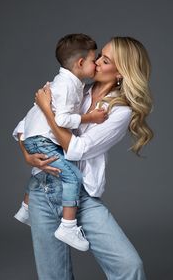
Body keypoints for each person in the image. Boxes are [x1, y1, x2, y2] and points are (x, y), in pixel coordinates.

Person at [16, 36, 153, 279]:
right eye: (99, 56)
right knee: (54, 276)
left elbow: (76, 149)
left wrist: (49, 111)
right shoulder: (76, 88)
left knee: (129, 266)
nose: (97, 62)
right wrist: (27, 154)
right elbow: (27, 124)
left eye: (106, 60)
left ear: (121, 72)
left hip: (81, 196)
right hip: (42, 190)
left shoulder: (120, 112)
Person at [13, 33, 108, 251]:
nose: (96, 65)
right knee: (73, 176)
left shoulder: (64, 83)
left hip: (35, 137)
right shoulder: (66, 87)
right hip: (42, 140)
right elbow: (62, 119)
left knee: (43, 170)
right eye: (95, 60)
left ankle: (26, 207)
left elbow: (32, 118)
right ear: (81, 63)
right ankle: (68, 226)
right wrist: (90, 117)